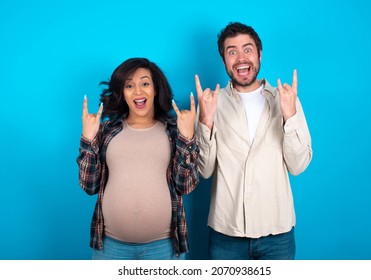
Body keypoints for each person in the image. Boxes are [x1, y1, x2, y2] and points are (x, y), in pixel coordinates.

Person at [195, 22, 313, 260]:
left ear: (259, 54)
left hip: (277, 234)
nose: (241, 58)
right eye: (232, 52)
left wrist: (289, 116)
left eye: (247, 49)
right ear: (224, 61)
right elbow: (204, 171)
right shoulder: (210, 104)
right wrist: (206, 121)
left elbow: (298, 166)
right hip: (226, 233)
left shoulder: (286, 100)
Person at [76, 57, 199, 260]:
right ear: (122, 93)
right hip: (111, 248)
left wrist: (187, 137)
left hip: (164, 248)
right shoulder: (106, 131)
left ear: (155, 89)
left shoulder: (173, 131)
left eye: (145, 83)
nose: (138, 91)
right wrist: (88, 139)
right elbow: (89, 186)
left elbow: (185, 185)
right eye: (129, 86)